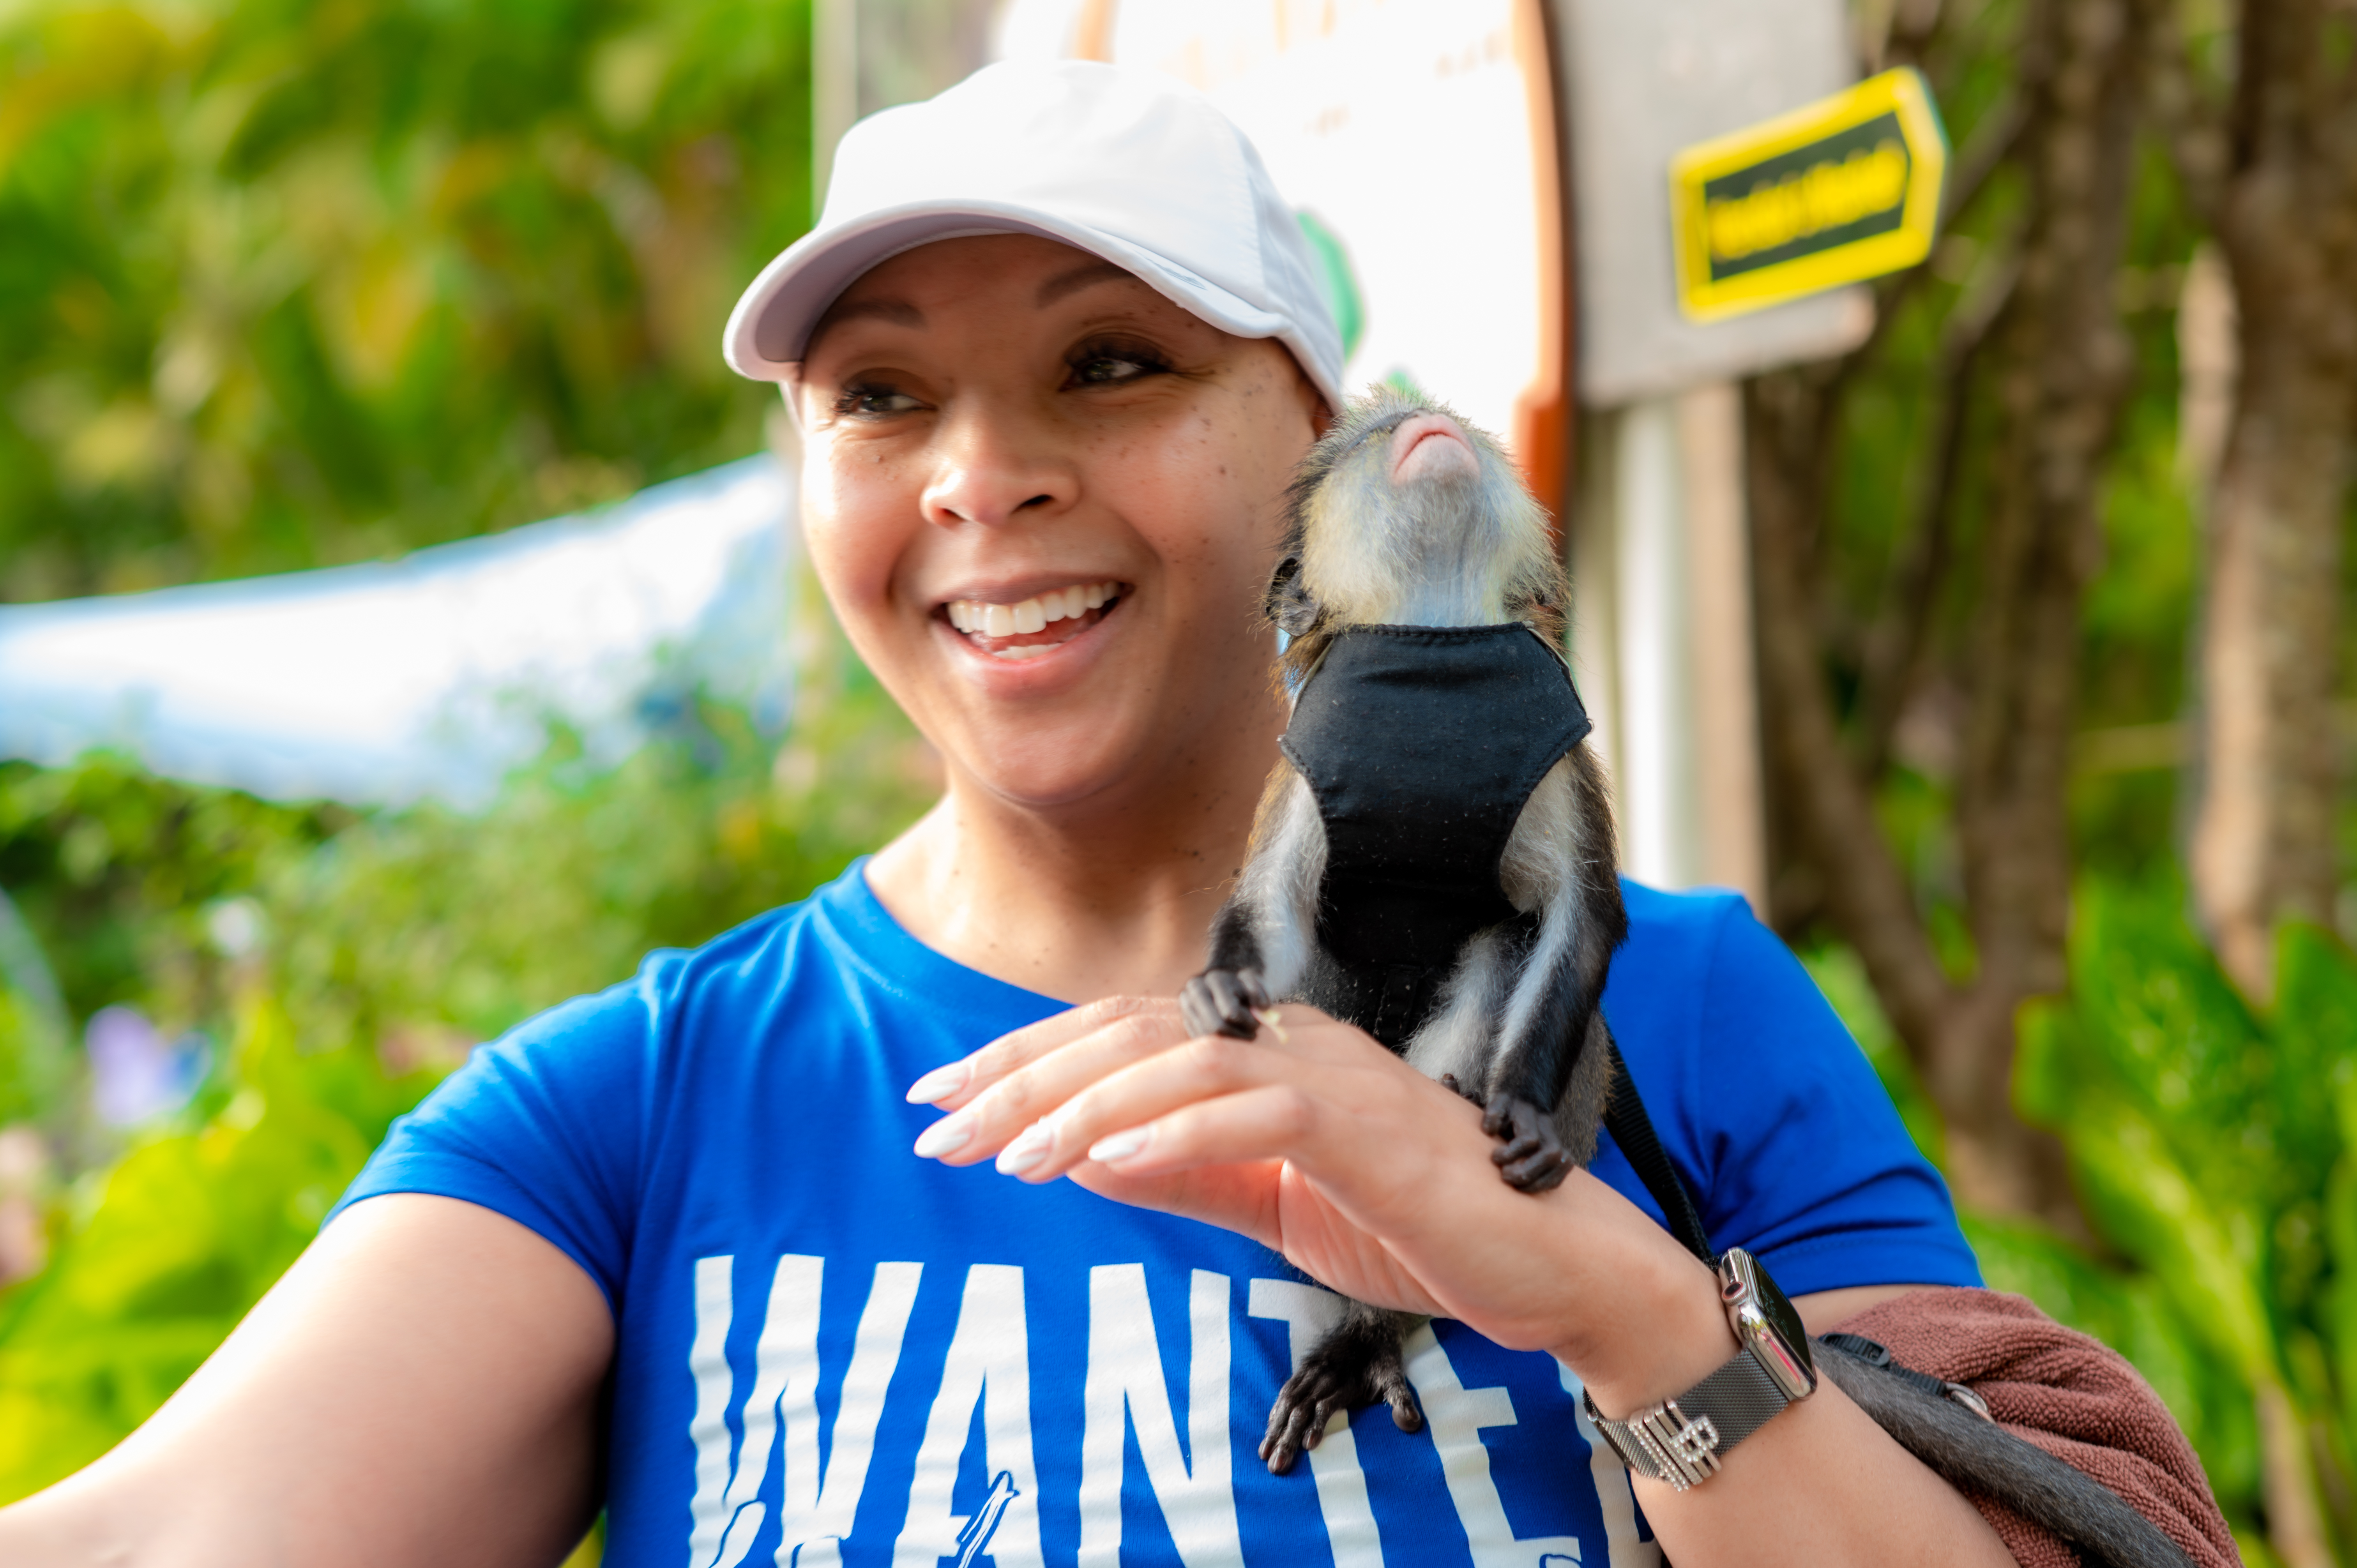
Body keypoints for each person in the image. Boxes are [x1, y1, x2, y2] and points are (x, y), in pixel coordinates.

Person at [0, 60, 2013, 1567]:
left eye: (1109, 363)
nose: (982, 474)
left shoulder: (1677, 1015)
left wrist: (1609, 1294)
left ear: (1323, 455)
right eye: (881, 396)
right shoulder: (648, 1104)